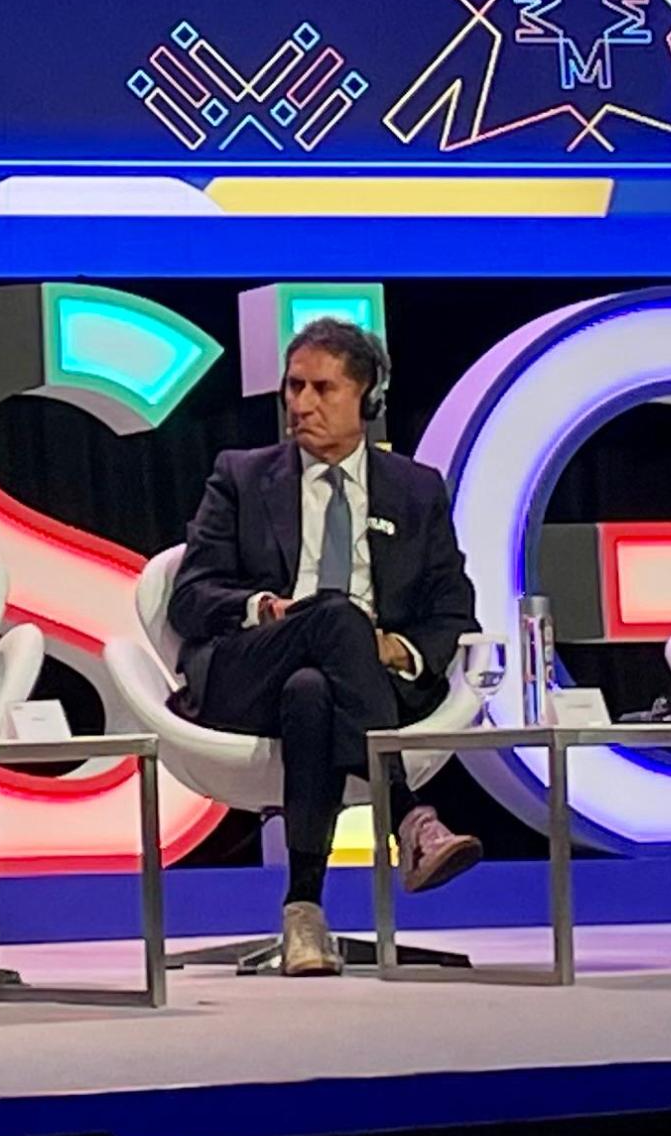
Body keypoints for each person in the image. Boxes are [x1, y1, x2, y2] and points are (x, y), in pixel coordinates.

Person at [165, 317, 485, 978]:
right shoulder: (241, 475)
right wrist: (260, 607)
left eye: (321, 388)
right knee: (332, 617)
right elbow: (189, 597)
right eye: (292, 386)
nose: (300, 404)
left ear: (366, 398)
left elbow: (452, 609)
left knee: (311, 689)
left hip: (355, 684)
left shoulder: (415, 488)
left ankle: (302, 912)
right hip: (245, 673)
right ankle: (411, 819)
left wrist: (394, 647)